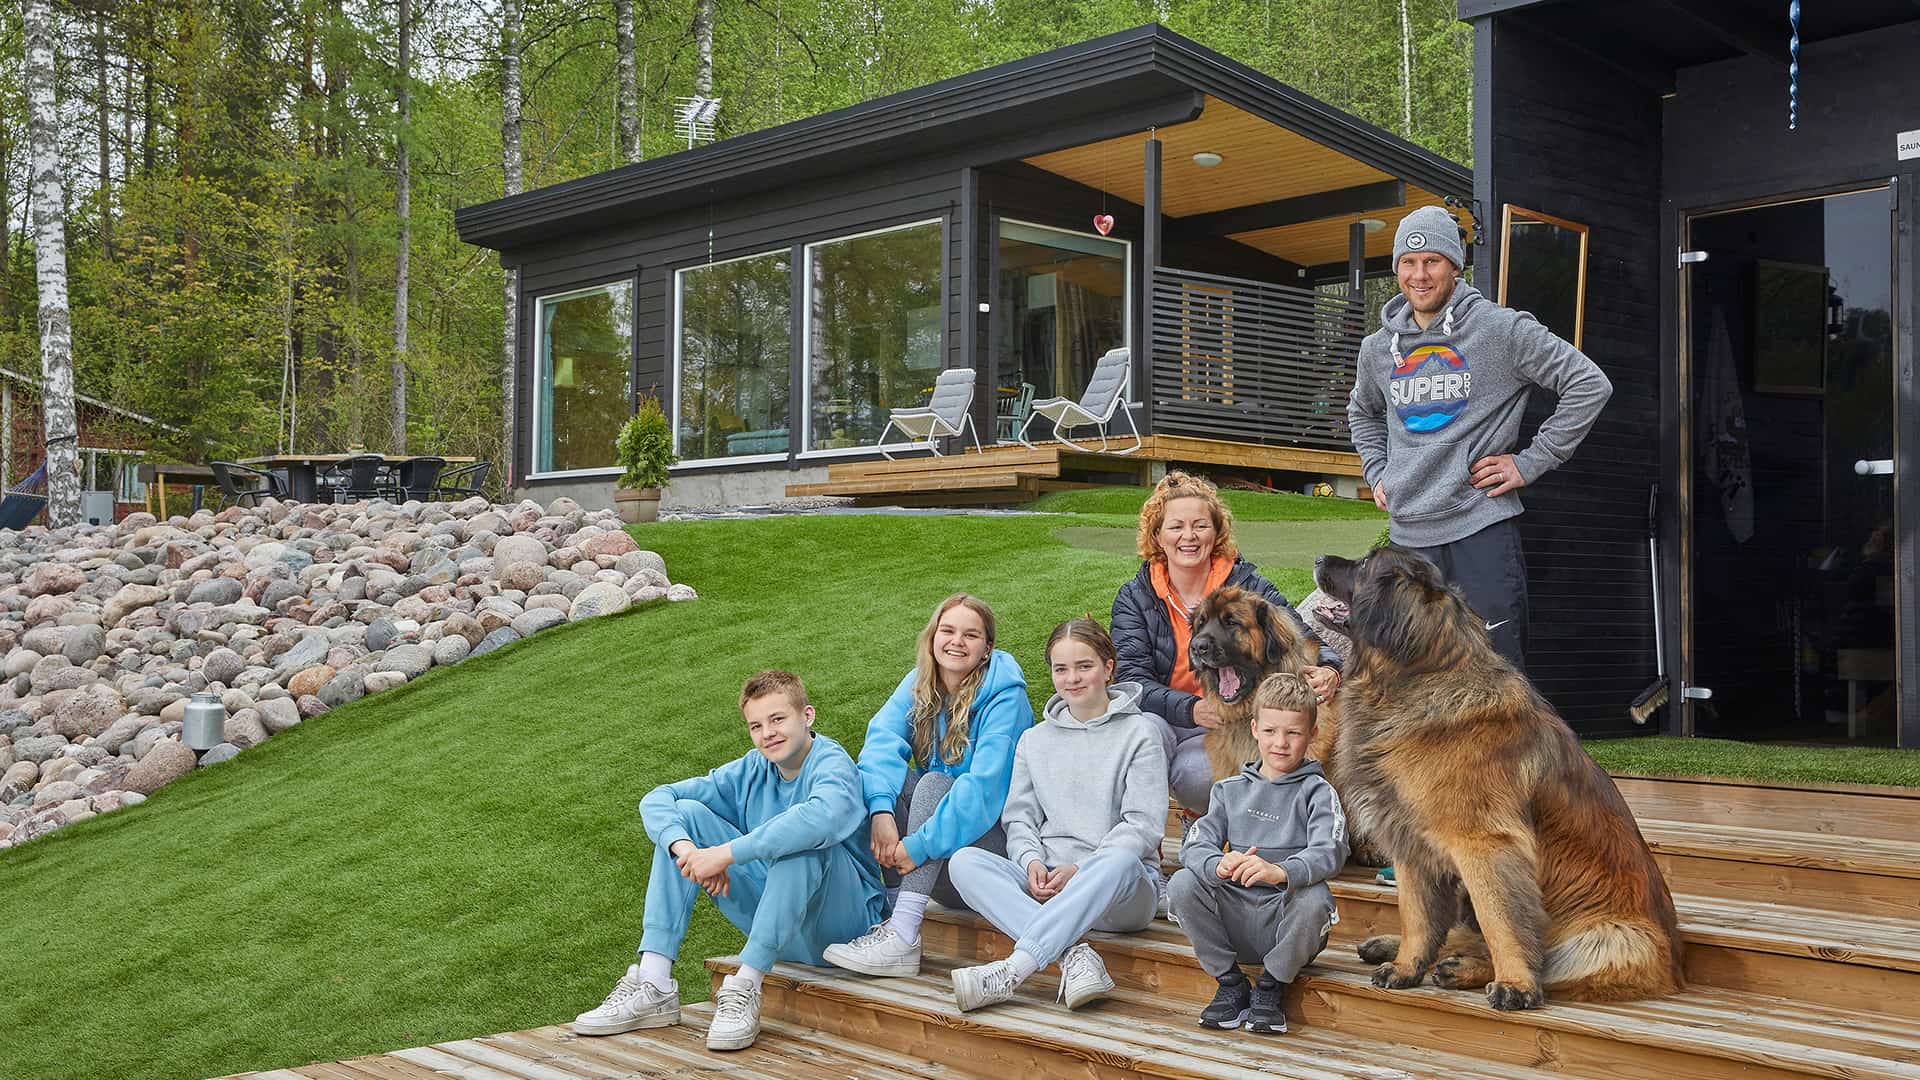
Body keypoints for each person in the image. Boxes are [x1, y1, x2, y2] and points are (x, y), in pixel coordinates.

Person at [1347, 204, 1613, 671]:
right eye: (1408, 263)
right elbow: (1361, 412)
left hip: (1480, 528)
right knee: (1415, 673)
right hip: (1410, 537)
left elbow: (1589, 384)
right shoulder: (1376, 350)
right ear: (1396, 271)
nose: (1420, 274)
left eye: (1432, 260)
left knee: (1496, 671)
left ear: (1454, 266)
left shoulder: (1500, 329)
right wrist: (1377, 469)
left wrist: (1530, 461)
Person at [571, 670, 884, 1052]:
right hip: (779, 928)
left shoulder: (832, 764)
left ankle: (747, 983)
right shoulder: (753, 768)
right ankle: (654, 982)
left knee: (801, 840)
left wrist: (723, 854)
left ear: (808, 716)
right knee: (683, 815)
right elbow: (658, 798)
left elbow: (818, 819)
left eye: (778, 719)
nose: (767, 733)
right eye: (756, 725)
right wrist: (689, 853)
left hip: (843, 931)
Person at [944, 617, 1169, 1013]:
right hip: (1048, 885)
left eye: (1084, 666)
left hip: (1120, 893)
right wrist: (1030, 862)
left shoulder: (1140, 733)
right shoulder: (1034, 740)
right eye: (1060, 669)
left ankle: (1013, 971)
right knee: (964, 862)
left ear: (1108, 667)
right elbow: (1020, 818)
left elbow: (1143, 826)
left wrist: (1080, 870)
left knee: (1117, 858)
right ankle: (1073, 956)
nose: (1072, 679)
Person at [822, 594, 1032, 978]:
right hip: (930, 863)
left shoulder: (1006, 697)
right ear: (933, 636)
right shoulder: (921, 683)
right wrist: (883, 811)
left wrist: (917, 846)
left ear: (987, 648)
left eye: (971, 635)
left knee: (936, 784)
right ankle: (888, 914)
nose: (957, 641)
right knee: (868, 783)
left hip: (983, 865)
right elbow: (881, 743)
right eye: (947, 630)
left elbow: (983, 791)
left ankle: (903, 934)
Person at [1111, 470, 1341, 812]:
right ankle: (1140, 837)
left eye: (1200, 525)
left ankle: (1204, 820)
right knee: (1141, 733)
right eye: (1176, 527)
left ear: (1216, 531)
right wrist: (1190, 708)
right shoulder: (1135, 597)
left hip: (1235, 717)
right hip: (1171, 716)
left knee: (1197, 775)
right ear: (1157, 535)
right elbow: (1132, 678)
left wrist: (1331, 667)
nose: (1188, 536)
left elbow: (1299, 634)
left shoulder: (1247, 584)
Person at [1167, 673, 1347, 1035]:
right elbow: (1195, 844)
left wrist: (1279, 871)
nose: (1280, 743)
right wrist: (1220, 863)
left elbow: (1330, 850)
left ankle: (1270, 988)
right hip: (1234, 922)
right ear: (1254, 729)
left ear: (1311, 734)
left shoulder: (1318, 792)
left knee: (1315, 897)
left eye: (1293, 733)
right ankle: (1230, 984)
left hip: (1287, 925)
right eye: (1270, 731)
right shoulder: (1228, 790)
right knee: (1184, 882)